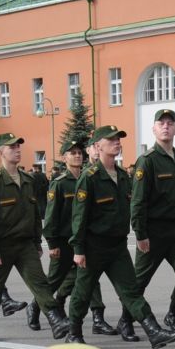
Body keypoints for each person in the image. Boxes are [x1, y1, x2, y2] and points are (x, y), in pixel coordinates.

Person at [65, 126, 172, 347]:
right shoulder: (89, 178)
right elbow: (79, 216)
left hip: (117, 246)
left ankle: (154, 331)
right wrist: (78, 249)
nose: (117, 142)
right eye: (111, 139)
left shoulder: (123, 176)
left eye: (118, 139)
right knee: (83, 292)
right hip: (93, 246)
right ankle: (74, 332)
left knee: (131, 291)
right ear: (97, 146)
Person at [0, 133, 65, 342]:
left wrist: (36, 241)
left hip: (25, 244)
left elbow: (34, 214)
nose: (17, 150)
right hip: (2, 246)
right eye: (12, 147)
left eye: (18, 146)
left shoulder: (28, 179)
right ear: (1, 152)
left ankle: (56, 320)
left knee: (40, 283)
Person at [130, 108, 175, 342]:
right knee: (140, 281)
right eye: (161, 123)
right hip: (154, 231)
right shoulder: (147, 161)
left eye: (170, 123)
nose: (165, 126)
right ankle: (125, 320)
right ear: (154, 129)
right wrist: (140, 234)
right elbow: (139, 201)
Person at [42, 135, 108, 335]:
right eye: (73, 153)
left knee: (91, 277)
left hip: (84, 239)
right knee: (54, 279)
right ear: (64, 158)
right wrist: (52, 243)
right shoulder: (60, 184)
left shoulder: (88, 177)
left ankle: (98, 317)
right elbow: (51, 216)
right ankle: (38, 307)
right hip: (63, 240)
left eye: (80, 153)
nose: (78, 156)